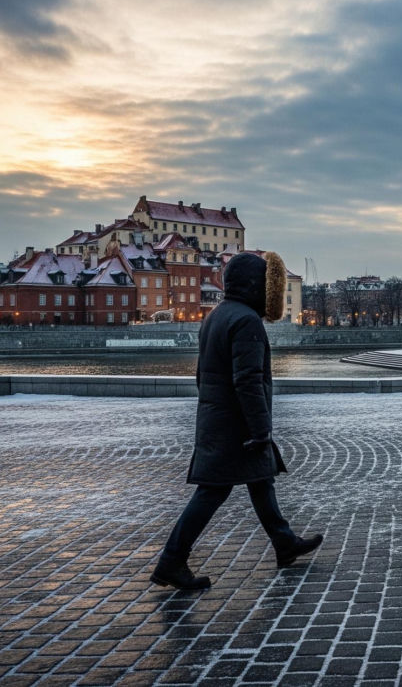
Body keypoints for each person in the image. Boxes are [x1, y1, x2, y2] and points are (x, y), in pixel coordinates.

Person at [151, 251, 322, 591]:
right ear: (255, 286)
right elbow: (248, 380)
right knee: (211, 493)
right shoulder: (247, 321)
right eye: (266, 284)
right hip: (237, 425)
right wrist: (260, 429)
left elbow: (204, 375)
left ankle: (284, 542)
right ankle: (170, 562)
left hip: (219, 419)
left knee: (261, 479)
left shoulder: (216, 315)